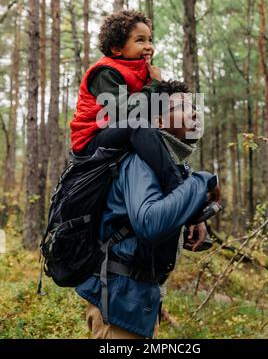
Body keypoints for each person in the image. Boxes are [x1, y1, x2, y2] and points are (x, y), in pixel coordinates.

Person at [75, 80, 219, 339]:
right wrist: (203, 181)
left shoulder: (166, 164)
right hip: (118, 306)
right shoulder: (141, 161)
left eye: (194, 107)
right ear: (159, 121)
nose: (195, 113)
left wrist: (190, 218)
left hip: (136, 301)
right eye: (184, 107)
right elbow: (150, 223)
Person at [70, 9, 183, 195]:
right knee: (137, 125)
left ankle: (181, 175)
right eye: (140, 40)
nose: (148, 46)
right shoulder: (105, 72)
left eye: (150, 40)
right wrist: (155, 84)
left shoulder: (143, 72)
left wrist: (164, 91)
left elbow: (152, 108)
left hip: (118, 132)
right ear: (117, 49)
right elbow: (124, 114)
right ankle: (177, 187)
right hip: (92, 140)